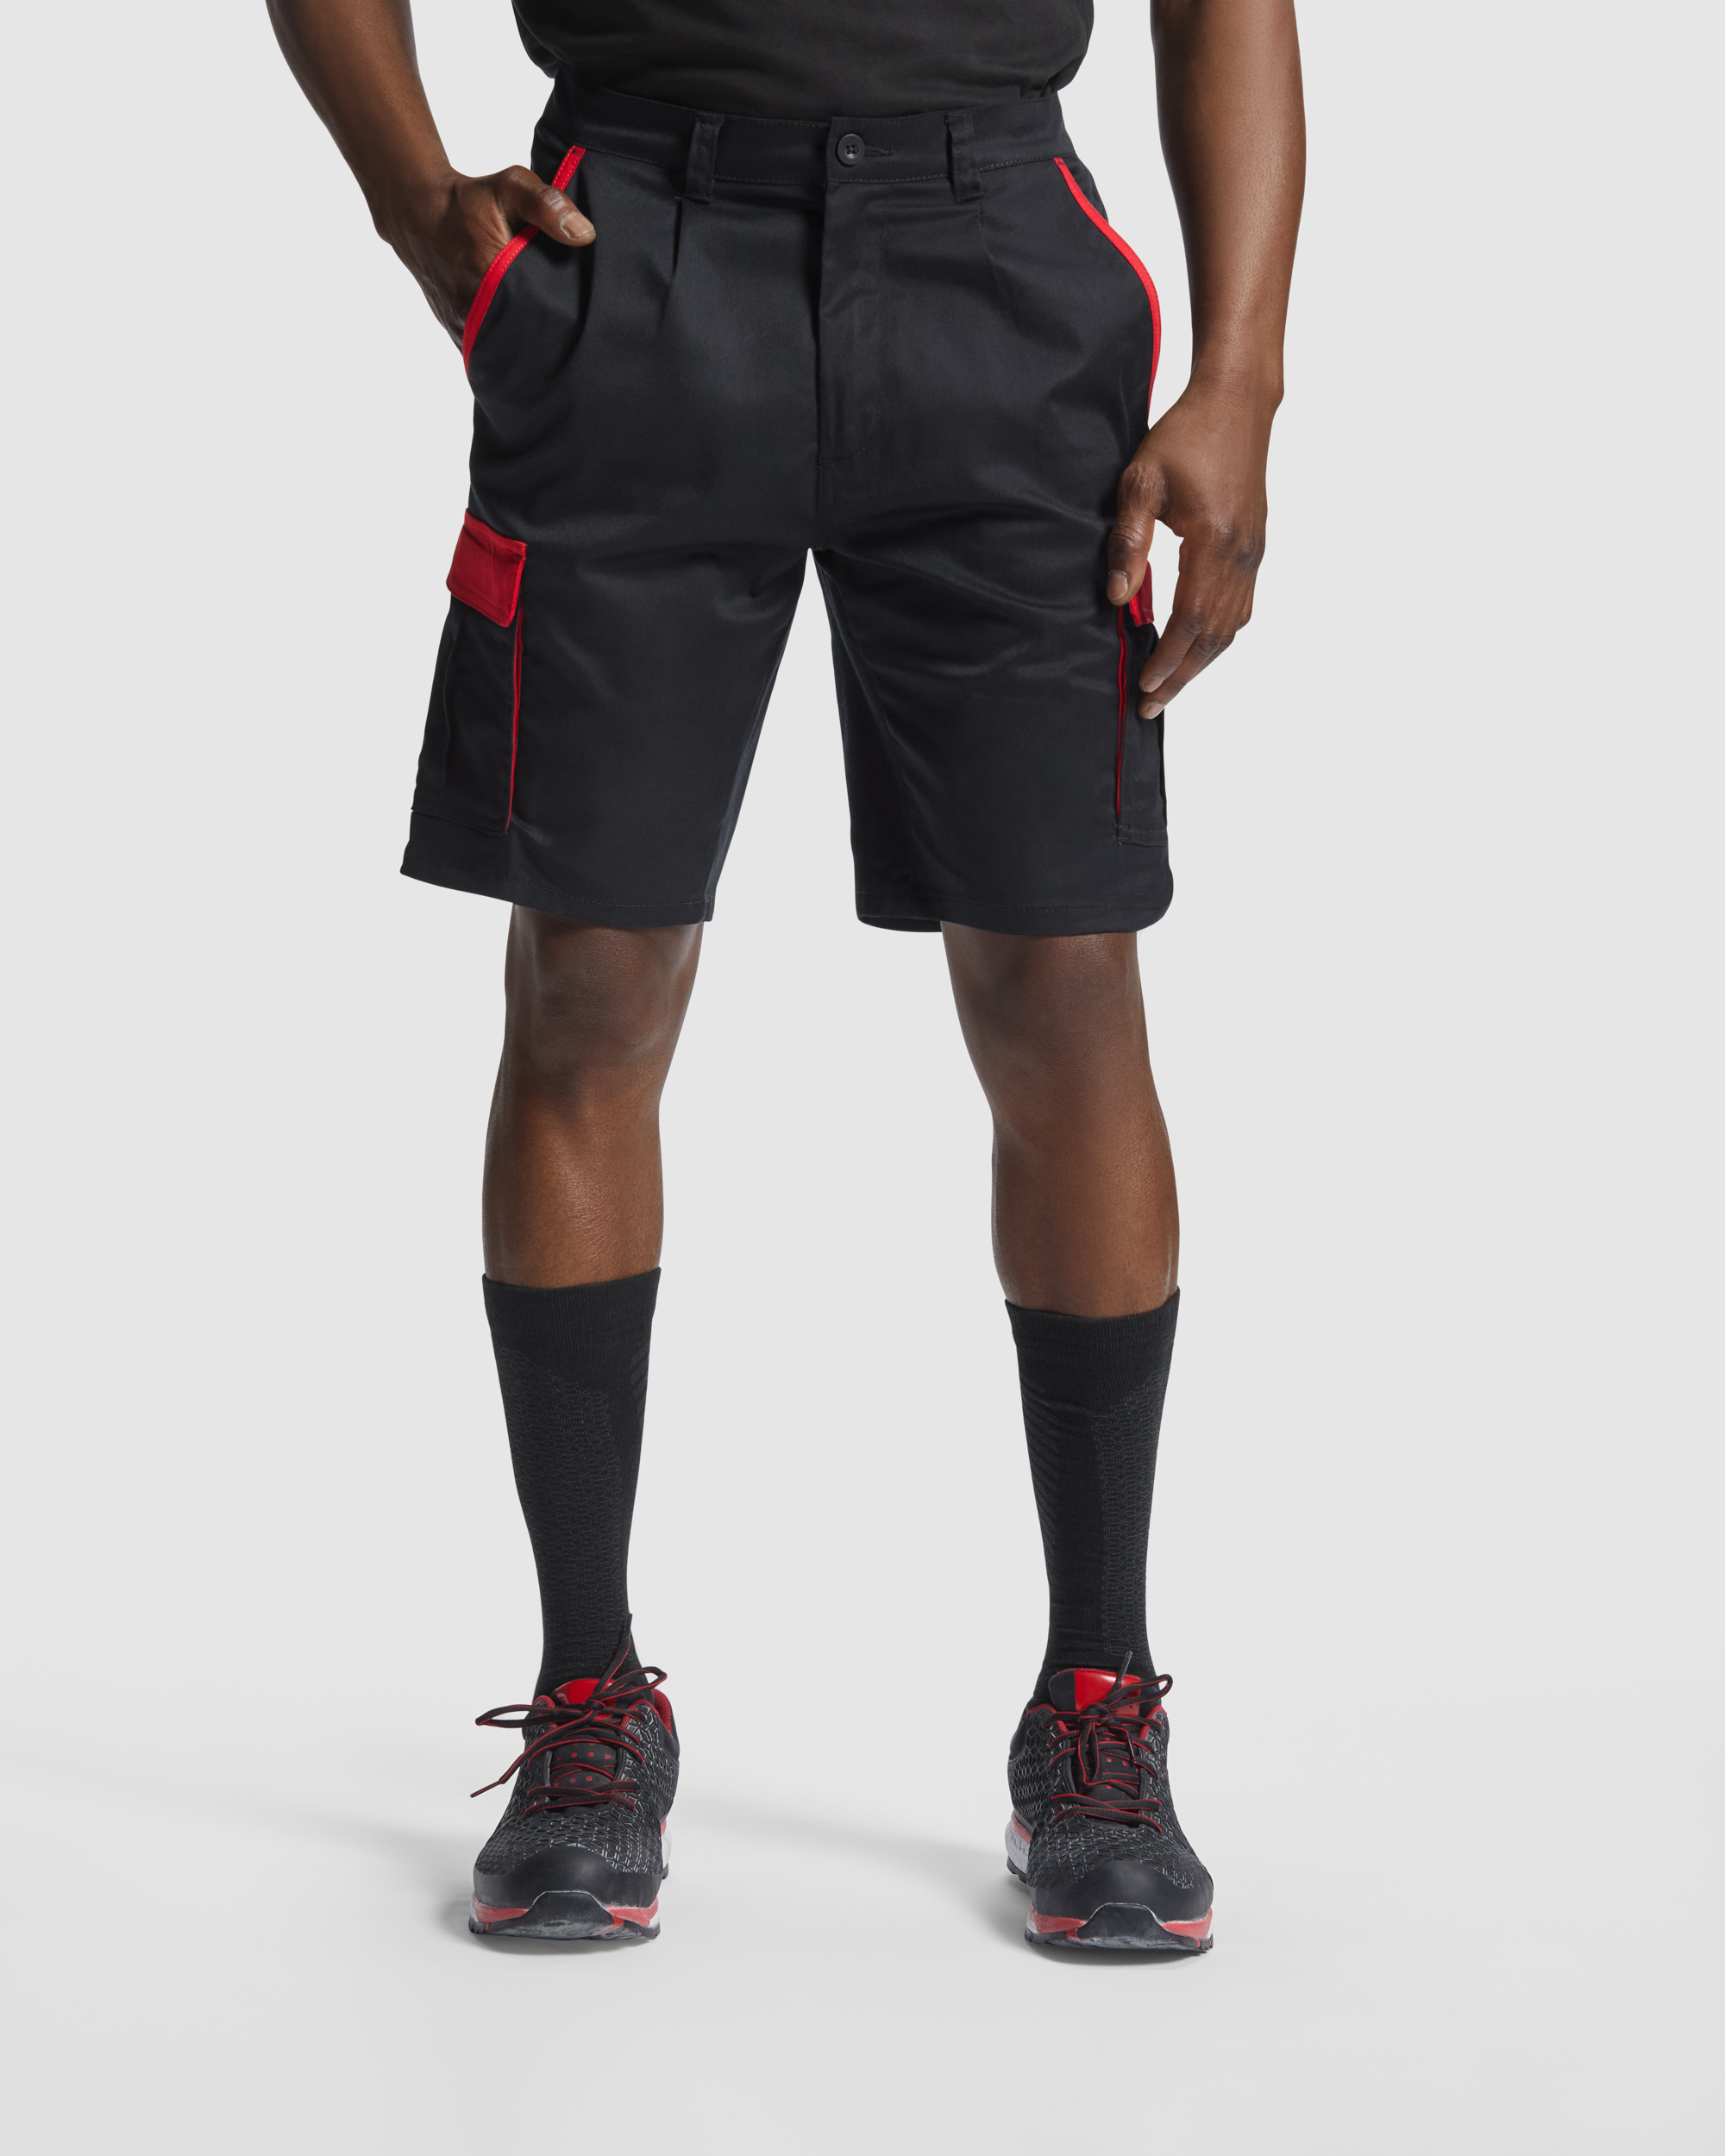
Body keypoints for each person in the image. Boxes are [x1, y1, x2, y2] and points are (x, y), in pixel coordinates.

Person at [267, 0, 1303, 1952]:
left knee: (1063, 981)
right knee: (589, 976)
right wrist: (416, 203)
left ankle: (1099, 1702)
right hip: (634, 258)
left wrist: (1241, 373)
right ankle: (591, 1700)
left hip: (999, 268)